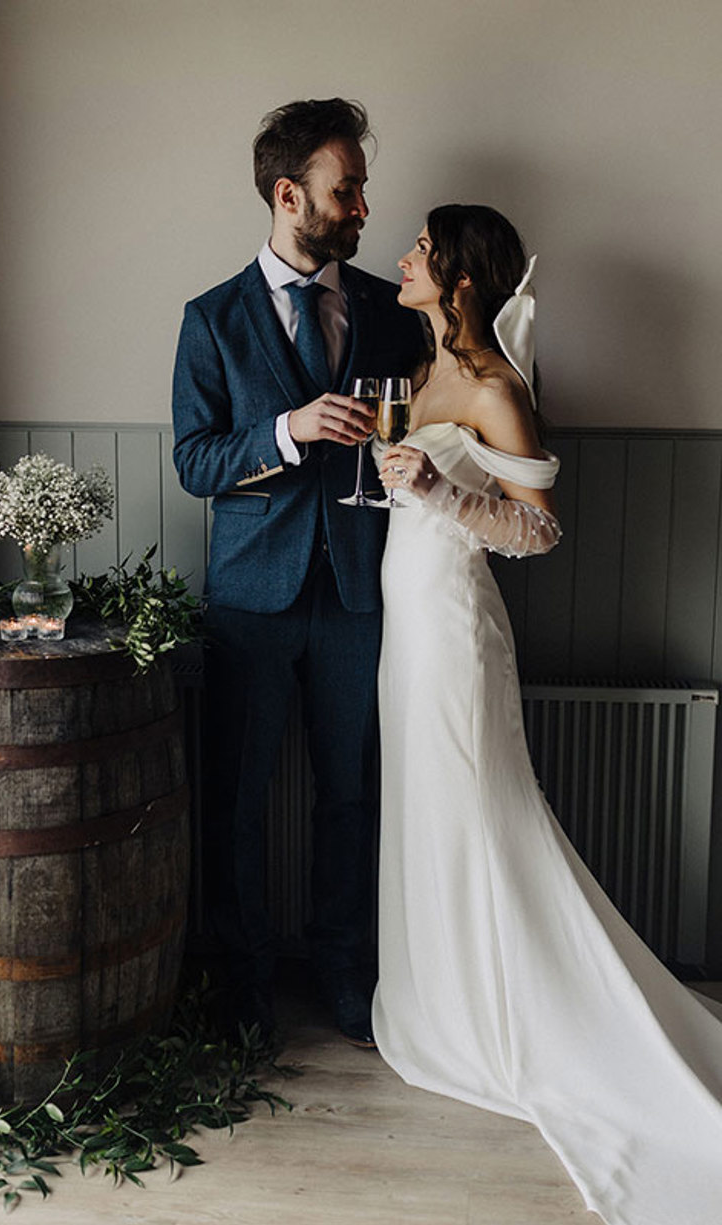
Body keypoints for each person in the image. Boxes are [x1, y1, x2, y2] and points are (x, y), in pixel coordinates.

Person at [371, 202, 722, 1224]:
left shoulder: (494, 387)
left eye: (421, 252)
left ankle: (521, 1018)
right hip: (405, 626)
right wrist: (404, 475)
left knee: (485, 815)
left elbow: (537, 530)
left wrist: (435, 488)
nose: (403, 257)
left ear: (461, 281)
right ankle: (436, 1004)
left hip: (455, 630)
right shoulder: (424, 369)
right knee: (428, 812)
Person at [172, 98, 425, 1044]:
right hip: (250, 602)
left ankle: (346, 972)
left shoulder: (383, 311)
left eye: (359, 186)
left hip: (362, 592)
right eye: (344, 188)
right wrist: (286, 428)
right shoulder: (211, 319)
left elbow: (433, 412)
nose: (362, 204)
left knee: (351, 792)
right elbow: (193, 462)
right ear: (290, 195)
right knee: (237, 799)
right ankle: (241, 984)